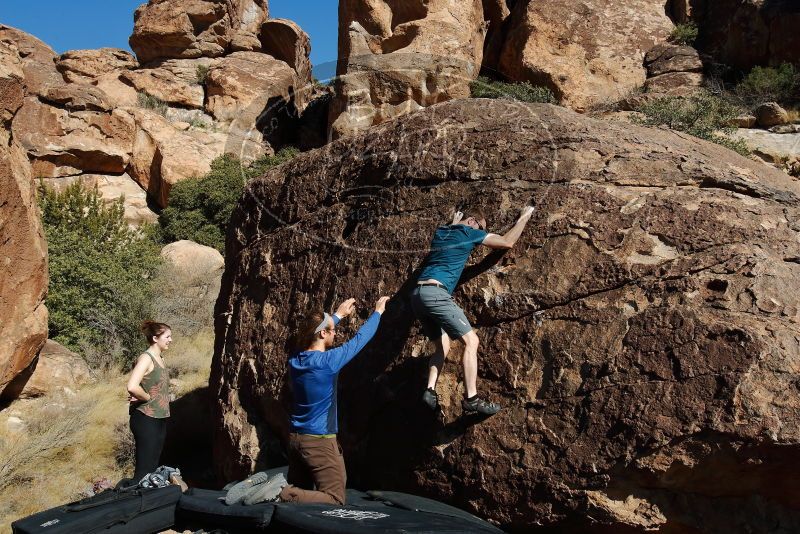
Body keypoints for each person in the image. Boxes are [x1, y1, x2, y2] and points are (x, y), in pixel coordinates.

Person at [411, 205, 535, 415]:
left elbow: (452, 235)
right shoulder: (470, 232)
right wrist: (523, 217)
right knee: (471, 341)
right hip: (436, 294)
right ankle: (472, 399)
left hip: (418, 296)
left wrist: (454, 223)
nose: (480, 236)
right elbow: (507, 242)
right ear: (472, 223)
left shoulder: (442, 231)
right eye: (481, 228)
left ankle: (429, 391)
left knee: (442, 346)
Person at [278, 295, 390, 505]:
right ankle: (280, 493)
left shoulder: (295, 360)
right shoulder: (328, 362)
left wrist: (338, 315)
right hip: (319, 441)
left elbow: (316, 333)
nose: (336, 332)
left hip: (296, 440)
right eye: (332, 329)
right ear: (322, 333)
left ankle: (284, 494)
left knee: (300, 501)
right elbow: (360, 340)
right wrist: (378, 313)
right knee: (335, 497)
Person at [126, 320, 172, 482]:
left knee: (153, 468)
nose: (170, 340)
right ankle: (133, 503)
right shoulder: (146, 358)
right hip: (145, 418)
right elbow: (132, 386)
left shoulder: (161, 358)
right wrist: (146, 397)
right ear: (155, 338)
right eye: (167, 336)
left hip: (159, 419)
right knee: (144, 472)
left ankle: (149, 501)